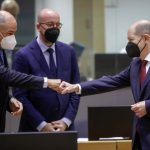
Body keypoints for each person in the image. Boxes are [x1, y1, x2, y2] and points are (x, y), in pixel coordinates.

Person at [60, 20, 150, 150]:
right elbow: (112, 81)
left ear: (145, 38)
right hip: (140, 138)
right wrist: (77, 87)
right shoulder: (136, 64)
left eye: (131, 40)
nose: (128, 45)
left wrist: (147, 105)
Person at [12, 8, 80, 132]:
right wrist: (42, 125)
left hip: (65, 129)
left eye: (58, 25)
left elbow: (75, 89)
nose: (55, 28)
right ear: (38, 26)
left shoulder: (69, 52)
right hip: (33, 129)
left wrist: (66, 121)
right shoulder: (23, 55)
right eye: (50, 24)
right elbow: (20, 95)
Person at [0, 10, 61, 132]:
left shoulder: (1, 49)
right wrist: (46, 82)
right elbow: (6, 75)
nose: (13, 38)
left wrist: (9, 101)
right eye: (10, 33)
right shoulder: (23, 54)